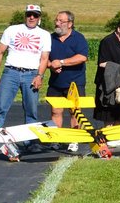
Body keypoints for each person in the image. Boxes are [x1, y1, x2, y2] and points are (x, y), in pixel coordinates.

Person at [0, 4, 51, 156]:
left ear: (39, 18)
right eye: (29, 14)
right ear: (25, 16)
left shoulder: (44, 35)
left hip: (31, 74)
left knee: (31, 110)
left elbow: (44, 58)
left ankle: (30, 142)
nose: (31, 17)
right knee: (0, 108)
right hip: (11, 72)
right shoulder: (12, 30)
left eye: (35, 15)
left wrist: (39, 76)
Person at [45, 10, 88, 153]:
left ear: (70, 24)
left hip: (75, 82)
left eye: (61, 21)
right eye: (56, 20)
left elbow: (82, 57)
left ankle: (74, 139)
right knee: (55, 111)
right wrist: (51, 65)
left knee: (75, 112)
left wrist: (61, 62)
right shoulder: (50, 38)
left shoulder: (78, 38)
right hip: (56, 82)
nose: (57, 23)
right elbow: (44, 58)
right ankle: (56, 139)